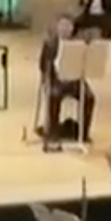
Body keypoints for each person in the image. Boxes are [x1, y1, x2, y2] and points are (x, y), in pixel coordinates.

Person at [38, 16, 95, 146]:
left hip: (75, 80)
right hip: (55, 80)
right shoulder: (50, 44)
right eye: (62, 25)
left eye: (68, 26)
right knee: (54, 95)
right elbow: (42, 65)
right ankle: (52, 132)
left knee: (89, 97)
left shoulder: (78, 45)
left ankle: (83, 132)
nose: (65, 29)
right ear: (57, 27)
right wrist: (47, 79)